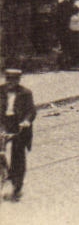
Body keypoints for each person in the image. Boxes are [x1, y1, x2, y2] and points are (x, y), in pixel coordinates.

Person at [2, 68, 37, 200]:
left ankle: (17, 185)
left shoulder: (25, 93)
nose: (11, 82)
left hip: (19, 125)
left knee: (18, 155)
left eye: (14, 79)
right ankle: (4, 174)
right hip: (3, 122)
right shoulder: (0, 90)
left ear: (18, 80)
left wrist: (26, 121)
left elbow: (31, 110)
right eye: (8, 79)